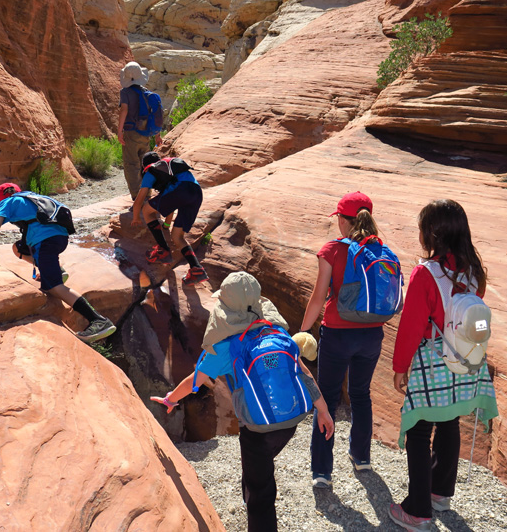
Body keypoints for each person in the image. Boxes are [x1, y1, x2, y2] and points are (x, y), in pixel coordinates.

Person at [150, 272, 334, 532]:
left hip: (257, 431)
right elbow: (302, 371)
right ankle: (254, 480)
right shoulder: (277, 332)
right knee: (258, 468)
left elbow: (195, 380)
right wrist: (323, 410)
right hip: (292, 421)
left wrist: (170, 399)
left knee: (260, 493)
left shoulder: (226, 346)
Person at [388, 199, 498, 531]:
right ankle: (440, 493)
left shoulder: (426, 273)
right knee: (450, 422)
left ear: (431, 233)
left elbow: (411, 325)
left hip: (433, 359)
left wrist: (400, 365)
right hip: (466, 357)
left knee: (420, 432)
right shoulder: (474, 271)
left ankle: (418, 511)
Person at [298, 191, 387, 488]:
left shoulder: (333, 250)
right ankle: (361, 457)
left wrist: (302, 332)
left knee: (328, 397)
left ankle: (322, 471)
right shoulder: (381, 249)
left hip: (337, 333)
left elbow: (317, 298)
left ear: (343, 220)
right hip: (372, 334)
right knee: (361, 394)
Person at [0, 183, 116, 343]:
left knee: (53, 287)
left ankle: (98, 320)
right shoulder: (31, 196)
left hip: (45, 242)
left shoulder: (7, 202)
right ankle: (57, 270)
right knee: (18, 247)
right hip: (60, 238)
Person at [131, 152, 208, 285]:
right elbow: (171, 204)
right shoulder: (170, 171)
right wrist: (166, 225)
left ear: (144, 165)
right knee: (177, 237)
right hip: (196, 192)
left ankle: (163, 250)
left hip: (181, 190)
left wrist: (136, 217)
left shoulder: (151, 171)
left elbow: (140, 199)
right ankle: (197, 270)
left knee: (147, 210)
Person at [117, 62, 162, 200]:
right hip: (146, 133)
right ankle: (147, 194)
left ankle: (137, 197)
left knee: (131, 165)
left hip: (131, 133)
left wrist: (119, 132)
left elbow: (124, 110)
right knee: (145, 164)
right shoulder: (145, 92)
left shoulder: (125, 92)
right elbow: (154, 114)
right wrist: (157, 135)